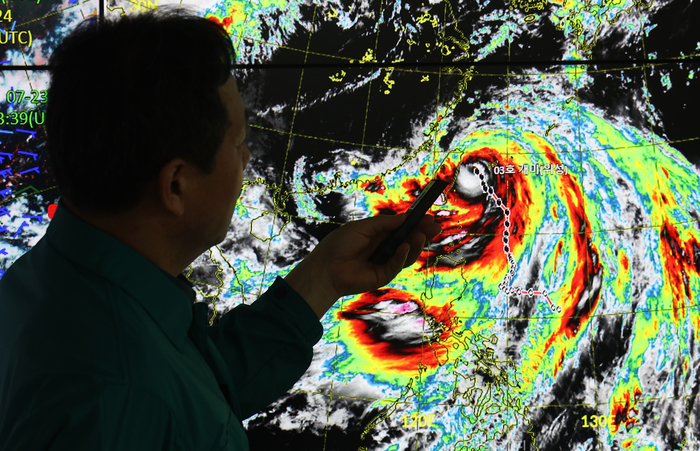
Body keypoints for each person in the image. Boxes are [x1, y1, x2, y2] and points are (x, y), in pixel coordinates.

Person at [0, 8, 441, 451]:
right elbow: (155, 400)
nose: (246, 159)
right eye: (237, 143)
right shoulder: (118, 401)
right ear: (175, 185)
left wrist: (323, 275)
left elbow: (195, 387)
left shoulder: (53, 286)